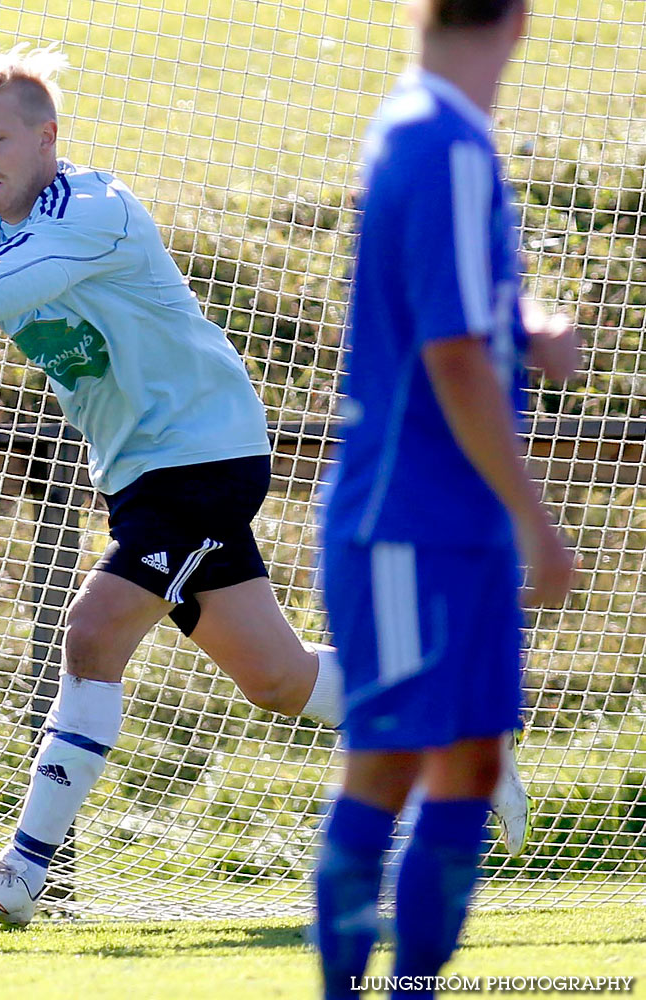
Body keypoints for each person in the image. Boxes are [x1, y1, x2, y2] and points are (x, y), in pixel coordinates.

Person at [0, 43, 522, 927]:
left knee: (93, 631)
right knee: (274, 676)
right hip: (143, 473)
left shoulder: (93, 211)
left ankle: (25, 870)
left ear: (46, 139)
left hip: (201, 455)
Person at [313, 0, 579, 993]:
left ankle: (415, 985)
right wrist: (534, 516)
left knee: (468, 763)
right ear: (519, 22)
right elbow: (452, 355)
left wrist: (530, 330)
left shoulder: (424, 128)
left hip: (451, 527)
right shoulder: (443, 142)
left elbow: (460, 307)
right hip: (404, 524)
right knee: (388, 768)